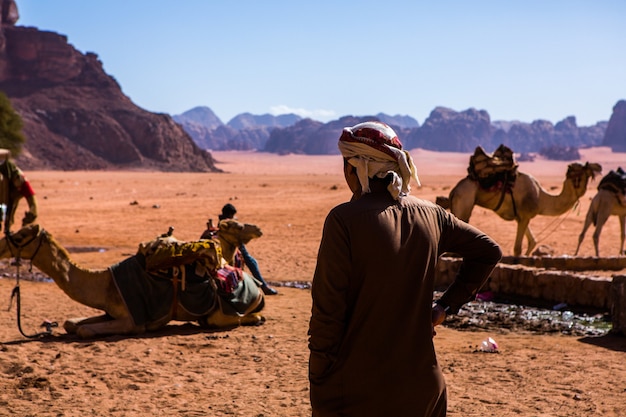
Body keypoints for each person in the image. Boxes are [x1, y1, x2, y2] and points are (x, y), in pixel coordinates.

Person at [308, 121, 502, 416]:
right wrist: (445, 308)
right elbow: (489, 251)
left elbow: (327, 315)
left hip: (361, 391)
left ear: (355, 168)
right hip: (425, 388)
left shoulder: (343, 221)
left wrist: (320, 380)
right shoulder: (432, 214)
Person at [207, 203, 278, 296]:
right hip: (231, 242)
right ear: (231, 214)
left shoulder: (223, 222)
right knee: (250, 260)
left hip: (228, 242)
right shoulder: (227, 223)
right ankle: (264, 286)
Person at [0, 149, 38, 233]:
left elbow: (32, 202)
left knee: (8, 208)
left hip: (8, 200)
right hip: (4, 200)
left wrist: (32, 213)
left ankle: (7, 229)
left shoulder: (20, 181)